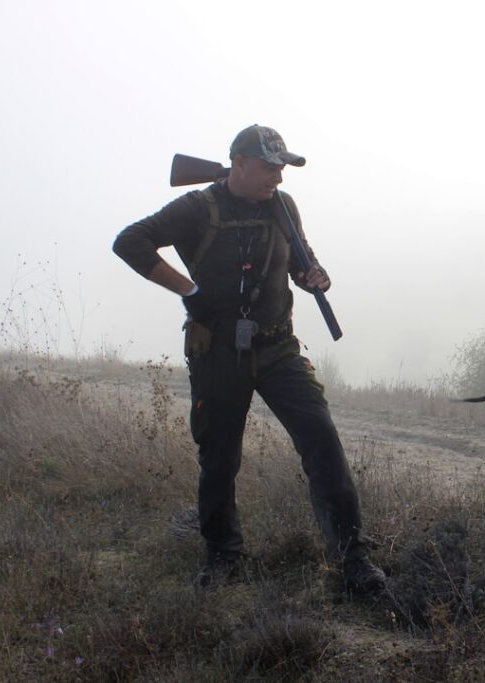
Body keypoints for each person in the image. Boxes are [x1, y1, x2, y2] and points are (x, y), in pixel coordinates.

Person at [112, 124, 386, 594]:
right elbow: (130, 242)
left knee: (322, 442)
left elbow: (300, 260)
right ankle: (222, 555)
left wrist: (312, 274)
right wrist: (189, 290)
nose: (278, 177)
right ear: (238, 162)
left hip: (279, 348)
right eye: (269, 166)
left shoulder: (283, 206)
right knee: (218, 459)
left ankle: (351, 558)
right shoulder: (197, 208)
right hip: (217, 351)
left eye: (282, 167)